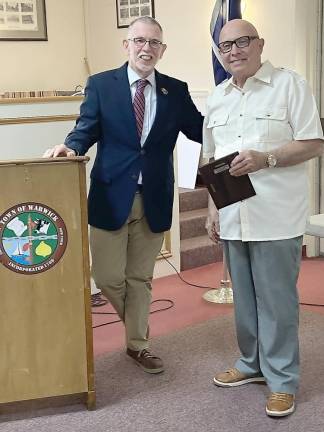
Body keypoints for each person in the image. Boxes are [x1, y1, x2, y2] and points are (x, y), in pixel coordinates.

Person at [44, 16, 203, 374]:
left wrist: (237, 131)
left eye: (154, 43)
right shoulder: (102, 85)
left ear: (162, 50)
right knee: (108, 277)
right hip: (110, 194)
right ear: (127, 45)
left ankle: (138, 345)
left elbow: (199, 129)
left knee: (141, 277)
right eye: (140, 41)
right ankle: (137, 323)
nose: (146, 48)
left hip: (155, 196)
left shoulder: (175, 90)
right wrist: (70, 147)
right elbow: (86, 128)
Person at [203, 19, 324, 417]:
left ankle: (283, 380)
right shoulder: (217, 97)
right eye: (225, 46)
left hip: (275, 215)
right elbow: (211, 159)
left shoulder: (290, 85)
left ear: (259, 44)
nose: (234, 51)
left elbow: (313, 143)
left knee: (277, 301)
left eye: (242, 42)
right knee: (245, 302)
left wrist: (265, 158)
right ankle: (251, 364)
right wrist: (212, 208)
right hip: (235, 215)